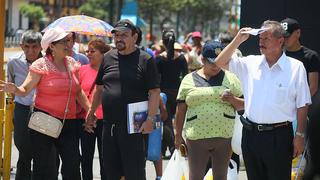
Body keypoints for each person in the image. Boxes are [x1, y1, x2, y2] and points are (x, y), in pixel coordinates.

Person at [214, 20, 311, 180]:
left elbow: (302, 104)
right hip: (251, 135)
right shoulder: (250, 63)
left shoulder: (295, 67)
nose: (261, 42)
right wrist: (237, 39)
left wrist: (299, 135)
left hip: (279, 136)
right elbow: (219, 63)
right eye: (260, 38)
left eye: (266, 38)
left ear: (280, 41)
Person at [0, 27, 90, 180]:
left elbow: (78, 91)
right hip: (44, 123)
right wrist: (15, 89)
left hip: (68, 123)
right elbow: (25, 89)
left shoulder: (72, 64)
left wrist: (90, 110)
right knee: (44, 168)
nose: (69, 45)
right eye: (64, 42)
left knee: (73, 166)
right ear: (52, 46)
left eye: (69, 41)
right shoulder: (41, 65)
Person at [85, 19, 160, 180]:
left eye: (124, 35)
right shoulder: (107, 58)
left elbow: (154, 91)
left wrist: (151, 119)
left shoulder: (145, 59)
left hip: (134, 126)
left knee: (134, 172)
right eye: (117, 35)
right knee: (111, 171)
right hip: (109, 125)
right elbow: (99, 88)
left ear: (134, 37)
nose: (119, 38)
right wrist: (91, 112)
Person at [175, 40, 243, 180]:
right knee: (195, 176)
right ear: (202, 59)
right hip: (196, 138)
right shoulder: (188, 80)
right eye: (212, 62)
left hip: (224, 137)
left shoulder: (231, 78)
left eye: (219, 62)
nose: (216, 66)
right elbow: (180, 110)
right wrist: (178, 135)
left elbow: (244, 104)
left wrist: (232, 99)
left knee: (221, 176)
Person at [280, 17, 320, 179]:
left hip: (304, 112)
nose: (285, 39)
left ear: (298, 33)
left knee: (307, 151)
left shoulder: (310, 56)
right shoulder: (278, 55)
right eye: (282, 36)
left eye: (288, 35)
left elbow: (313, 87)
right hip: (281, 112)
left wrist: (298, 106)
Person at [6, 30, 42, 180]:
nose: (30, 51)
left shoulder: (48, 62)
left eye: (34, 47)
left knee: (44, 151)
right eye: (27, 46)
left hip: (43, 110)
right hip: (22, 110)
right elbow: (11, 85)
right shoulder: (14, 62)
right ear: (21, 46)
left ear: (41, 47)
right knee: (23, 149)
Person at [79, 39, 111, 180]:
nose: (89, 54)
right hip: (86, 120)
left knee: (106, 159)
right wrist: (88, 115)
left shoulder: (110, 71)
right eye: (87, 51)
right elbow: (76, 94)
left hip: (106, 120)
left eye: (92, 51)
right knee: (86, 157)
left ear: (103, 54)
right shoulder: (81, 70)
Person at [156, 30, 188, 159]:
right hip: (179, 93)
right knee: (176, 123)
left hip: (163, 93)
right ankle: (165, 149)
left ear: (163, 42)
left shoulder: (159, 59)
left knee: (167, 122)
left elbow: (155, 80)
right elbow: (186, 76)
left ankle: (173, 147)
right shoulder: (181, 58)